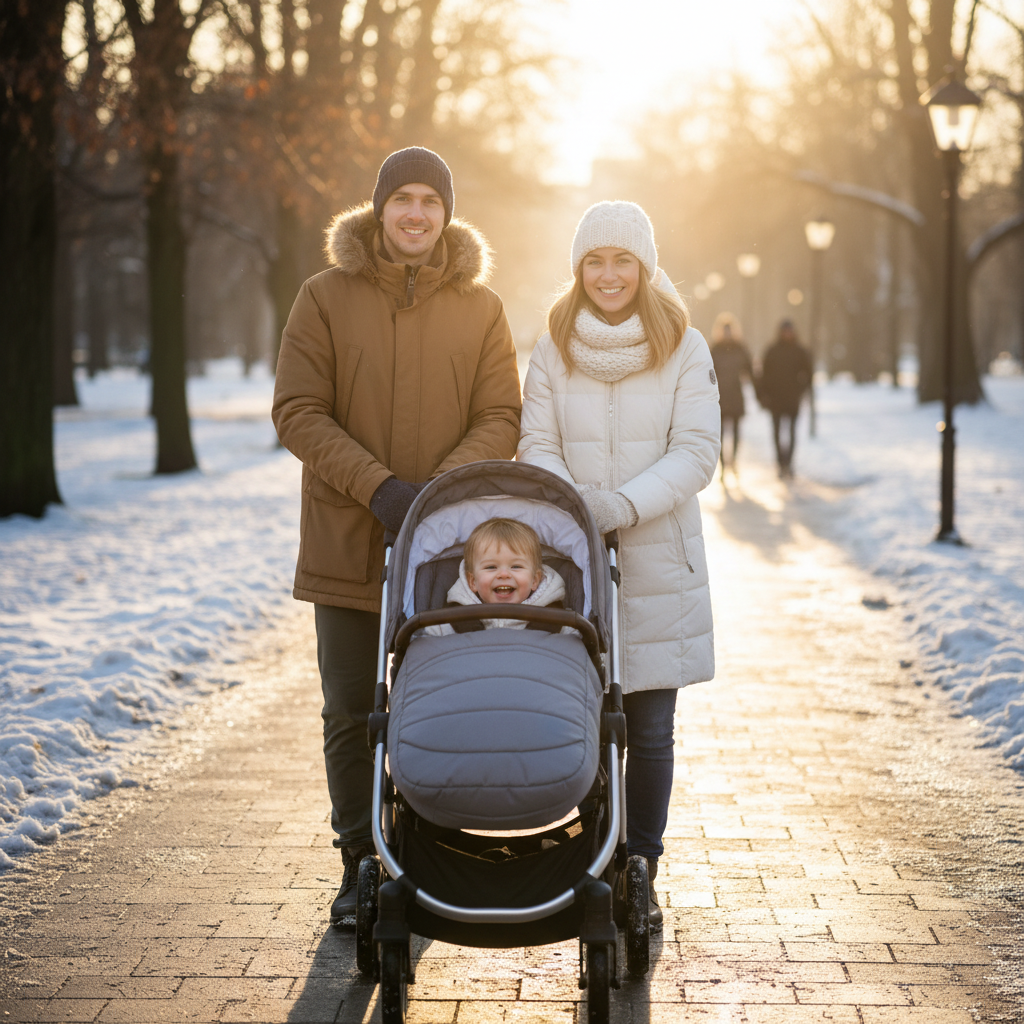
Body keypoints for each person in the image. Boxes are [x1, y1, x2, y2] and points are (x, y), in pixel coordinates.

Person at [272, 147, 522, 928]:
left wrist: (438, 494)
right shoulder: (324, 296)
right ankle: (359, 861)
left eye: (431, 201)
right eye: (403, 198)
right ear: (379, 208)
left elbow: (501, 416)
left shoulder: (481, 308)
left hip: (445, 553)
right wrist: (379, 487)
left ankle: (427, 850)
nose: (416, 213)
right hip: (349, 538)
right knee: (350, 708)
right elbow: (298, 411)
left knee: (436, 705)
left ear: (448, 215)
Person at [517, 200, 721, 930]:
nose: (608, 275)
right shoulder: (553, 345)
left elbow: (696, 451)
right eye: (594, 261)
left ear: (645, 267)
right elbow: (534, 439)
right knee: (590, 725)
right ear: (579, 270)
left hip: (658, 562)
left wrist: (623, 506)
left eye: (622, 260)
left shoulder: (684, 347)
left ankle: (642, 866)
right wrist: (576, 506)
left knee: (652, 731)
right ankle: (596, 858)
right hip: (577, 565)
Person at [423, 518, 572, 636]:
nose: (504, 574)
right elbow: (424, 648)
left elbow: (580, 653)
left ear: (535, 580)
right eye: (491, 567)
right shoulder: (453, 622)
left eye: (516, 566)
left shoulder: (557, 622)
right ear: (473, 581)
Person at [757, 319, 813, 478]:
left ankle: (789, 463)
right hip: (775, 399)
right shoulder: (772, 350)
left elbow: (808, 373)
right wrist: (763, 395)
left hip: (793, 399)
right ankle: (780, 463)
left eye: (789, 331)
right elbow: (763, 375)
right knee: (776, 433)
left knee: (792, 432)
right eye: (785, 331)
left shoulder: (800, 351)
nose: (787, 334)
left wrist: (802, 390)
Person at [709, 313, 754, 475]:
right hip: (719, 397)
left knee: (736, 432)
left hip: (735, 395)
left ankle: (733, 461)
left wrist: (759, 392)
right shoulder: (714, 349)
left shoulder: (740, 348)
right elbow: (706, 371)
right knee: (719, 434)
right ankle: (722, 465)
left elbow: (749, 371)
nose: (727, 333)